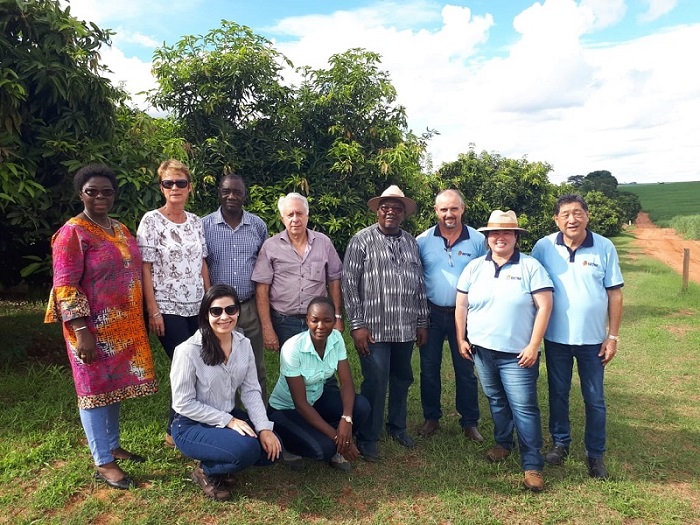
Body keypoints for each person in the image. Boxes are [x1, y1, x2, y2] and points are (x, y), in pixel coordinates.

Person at [45, 164, 158, 490]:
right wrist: (82, 332)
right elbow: (65, 286)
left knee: (113, 389)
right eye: (92, 191)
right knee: (93, 391)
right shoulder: (73, 233)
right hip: (90, 330)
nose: (99, 197)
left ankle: (113, 445)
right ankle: (103, 462)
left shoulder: (120, 229)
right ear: (81, 193)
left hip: (123, 328)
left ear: (114, 195)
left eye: (106, 191)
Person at [455, 210, 553, 492]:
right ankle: (503, 444)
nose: (500, 238)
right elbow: (461, 305)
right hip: (482, 351)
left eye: (506, 233)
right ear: (487, 238)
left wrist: (534, 345)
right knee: (496, 400)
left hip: (517, 354)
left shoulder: (531, 267)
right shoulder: (474, 267)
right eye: (494, 233)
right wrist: (461, 337)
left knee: (524, 408)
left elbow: (545, 306)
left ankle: (532, 464)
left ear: (516, 237)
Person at [531, 194, 623, 479]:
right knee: (558, 394)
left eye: (577, 213)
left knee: (594, 398)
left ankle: (595, 455)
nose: (572, 219)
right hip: (556, 338)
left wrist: (613, 336)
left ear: (587, 215)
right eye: (565, 214)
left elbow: (615, 293)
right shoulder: (544, 246)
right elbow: (531, 285)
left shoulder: (604, 247)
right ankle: (561, 443)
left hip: (593, 340)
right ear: (556, 219)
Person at [170, 284, 281, 502]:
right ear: (205, 314)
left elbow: (250, 390)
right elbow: (183, 404)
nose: (224, 317)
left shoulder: (243, 344)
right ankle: (206, 471)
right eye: (216, 311)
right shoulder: (188, 350)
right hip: (190, 425)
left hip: (227, 416)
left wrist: (264, 428)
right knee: (248, 450)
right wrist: (228, 420)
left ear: (238, 312)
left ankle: (222, 461)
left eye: (230, 310)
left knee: (272, 449)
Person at [342, 185, 429, 462]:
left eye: (397, 208)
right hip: (373, 329)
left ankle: (397, 426)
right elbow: (348, 284)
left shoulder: (411, 242)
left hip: (405, 326)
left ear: (404, 214)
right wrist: (357, 324)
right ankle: (368, 436)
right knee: (376, 381)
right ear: (378, 211)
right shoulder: (361, 240)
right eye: (385, 207)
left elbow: (419, 284)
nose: (390, 211)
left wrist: (422, 321)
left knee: (402, 379)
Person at [137, 159, 210, 447]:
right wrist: (153, 310)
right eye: (169, 183)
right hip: (167, 307)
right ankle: (174, 430)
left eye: (180, 182)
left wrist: (210, 301)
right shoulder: (151, 221)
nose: (175, 188)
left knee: (202, 363)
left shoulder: (195, 221)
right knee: (185, 366)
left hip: (197, 305)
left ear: (189, 187)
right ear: (162, 187)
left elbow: (201, 261)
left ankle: (187, 422)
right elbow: (145, 268)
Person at [267, 297, 371, 471]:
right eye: (315, 320)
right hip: (286, 409)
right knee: (324, 449)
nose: (321, 326)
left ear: (334, 321)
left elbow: (346, 383)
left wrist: (347, 419)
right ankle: (289, 444)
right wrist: (338, 437)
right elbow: (300, 405)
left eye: (327, 320)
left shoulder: (336, 339)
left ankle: (333, 441)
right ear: (307, 320)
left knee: (361, 406)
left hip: (316, 399)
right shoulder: (292, 348)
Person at [415, 189, 486, 441]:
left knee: (465, 368)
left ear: (462, 209)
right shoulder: (422, 240)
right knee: (429, 368)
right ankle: (431, 418)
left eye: (454, 208)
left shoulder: (478, 240)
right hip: (432, 312)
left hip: (465, 314)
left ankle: (469, 422)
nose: (449, 214)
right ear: (436, 211)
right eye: (443, 209)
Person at [203, 174, 269, 398]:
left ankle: (261, 418)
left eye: (237, 192)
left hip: (248, 306)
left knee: (255, 364)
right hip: (217, 310)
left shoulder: (257, 226)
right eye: (226, 191)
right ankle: (226, 415)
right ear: (219, 193)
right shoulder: (204, 226)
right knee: (218, 364)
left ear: (244, 195)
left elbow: (264, 266)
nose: (231, 196)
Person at [252, 192, 343, 351]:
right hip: (284, 323)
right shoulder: (271, 247)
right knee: (291, 371)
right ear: (283, 219)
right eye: (290, 215)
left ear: (307, 216)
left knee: (322, 368)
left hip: (319, 322)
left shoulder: (324, 243)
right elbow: (262, 290)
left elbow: (334, 279)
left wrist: (337, 317)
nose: (295, 219)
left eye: (299, 213)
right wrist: (267, 329)